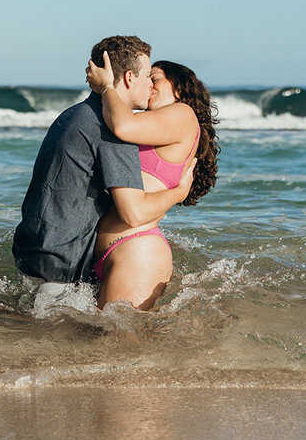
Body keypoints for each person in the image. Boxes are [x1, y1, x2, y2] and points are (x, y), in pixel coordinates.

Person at [13, 36, 194, 293]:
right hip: (62, 269)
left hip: (32, 253)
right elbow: (133, 213)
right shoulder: (112, 130)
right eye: (147, 78)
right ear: (130, 78)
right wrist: (178, 193)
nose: (149, 86)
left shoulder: (73, 114)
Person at [85, 51, 219, 310]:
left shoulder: (182, 113)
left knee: (118, 347)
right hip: (121, 250)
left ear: (179, 89)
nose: (148, 84)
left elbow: (123, 126)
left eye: (153, 78)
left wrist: (106, 88)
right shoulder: (155, 127)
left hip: (137, 250)